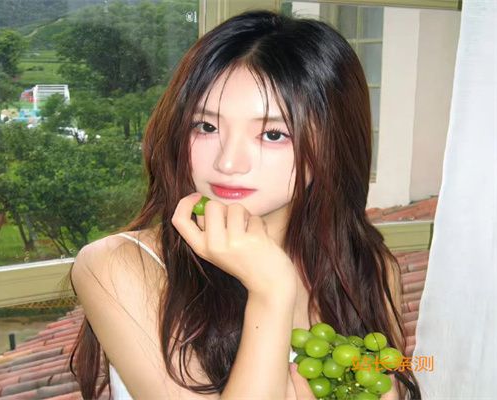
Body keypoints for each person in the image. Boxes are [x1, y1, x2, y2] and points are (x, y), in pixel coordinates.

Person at [69, 9, 422, 400]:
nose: (228, 163)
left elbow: (388, 381)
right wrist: (271, 290)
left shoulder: (367, 269)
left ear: (334, 144)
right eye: (206, 126)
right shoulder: (121, 265)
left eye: (273, 134)